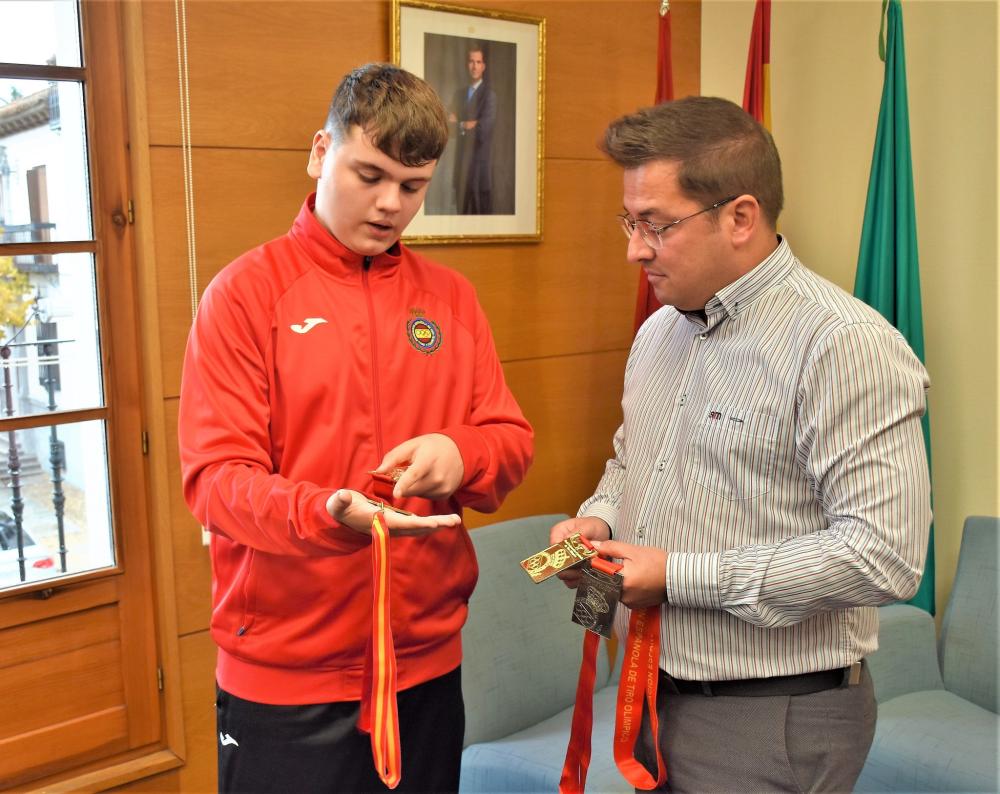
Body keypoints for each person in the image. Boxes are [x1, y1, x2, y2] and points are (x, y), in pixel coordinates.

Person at [551, 96, 931, 793]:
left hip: (773, 715)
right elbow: (631, 461)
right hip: (654, 689)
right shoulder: (659, 332)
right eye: (629, 222)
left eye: (656, 225)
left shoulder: (843, 346)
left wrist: (678, 577)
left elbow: (884, 556)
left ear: (741, 217)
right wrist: (600, 518)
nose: (634, 248)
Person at [178, 63, 533, 793]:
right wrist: (324, 512)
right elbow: (216, 482)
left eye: (412, 186)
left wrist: (458, 454)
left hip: (425, 666)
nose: (388, 204)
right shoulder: (246, 296)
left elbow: (510, 439)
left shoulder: (451, 299)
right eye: (368, 174)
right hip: (288, 676)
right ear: (320, 151)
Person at [448, 44, 496, 214]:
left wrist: (460, 123)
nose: (474, 66)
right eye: (471, 62)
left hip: (478, 170)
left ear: (483, 66)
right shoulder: (458, 95)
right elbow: (449, 128)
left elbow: (484, 130)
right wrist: (467, 124)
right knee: (461, 216)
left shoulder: (489, 96)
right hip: (461, 167)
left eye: (478, 62)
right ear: (466, 65)